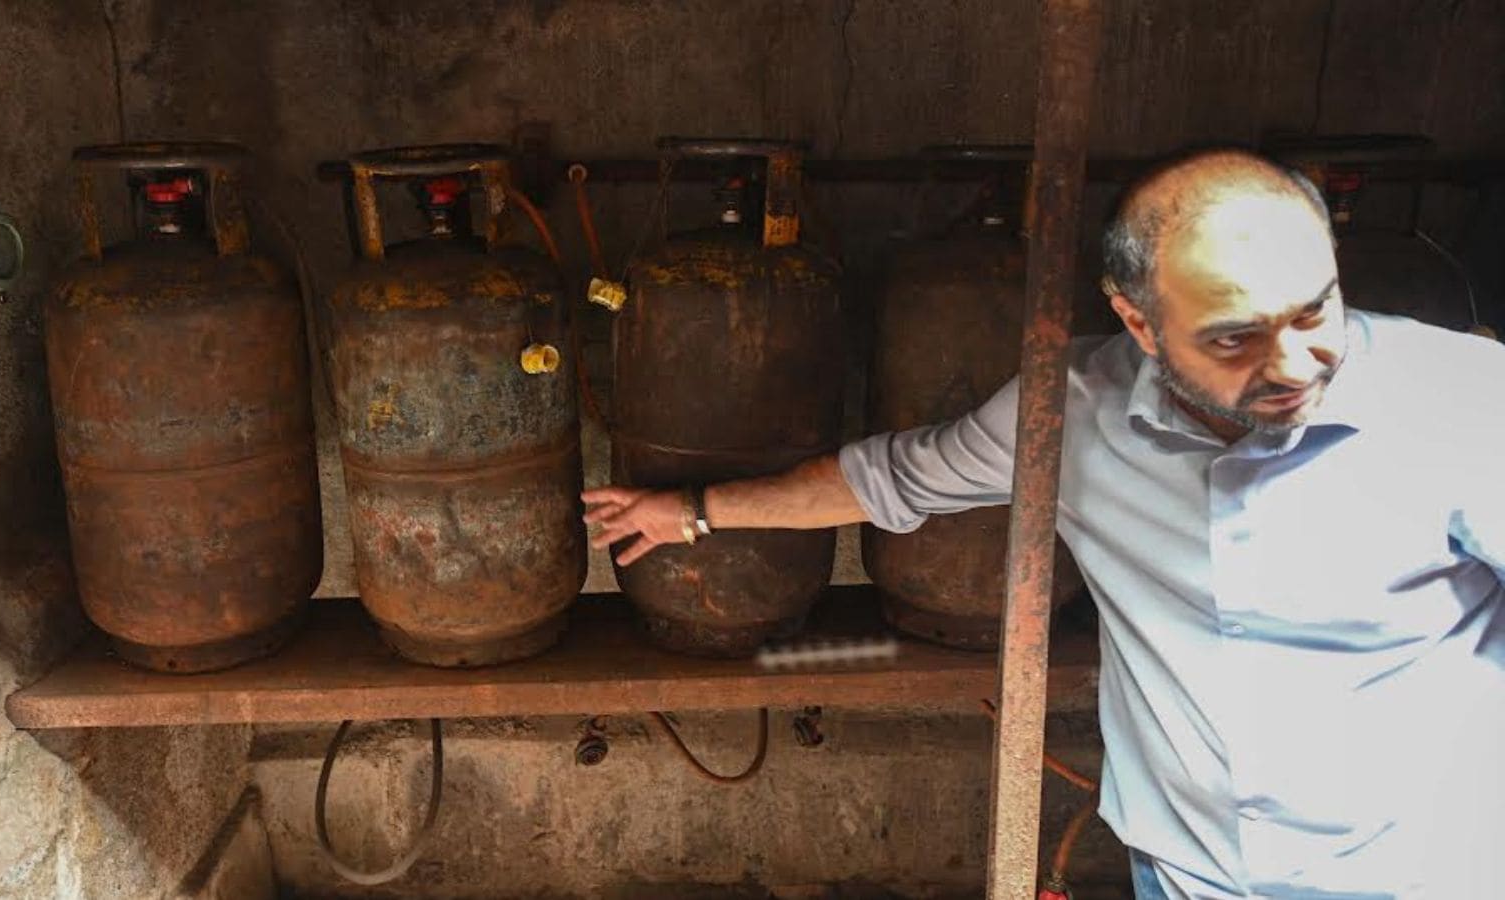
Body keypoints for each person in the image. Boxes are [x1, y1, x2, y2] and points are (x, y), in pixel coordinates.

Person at [582, 149, 1505, 898]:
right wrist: (694, 514)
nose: (1297, 362)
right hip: (1189, 875)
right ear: (1138, 325)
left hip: (1424, 871)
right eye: (1234, 337)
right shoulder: (1074, 412)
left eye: (1316, 310)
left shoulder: (1462, 406)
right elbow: (895, 477)